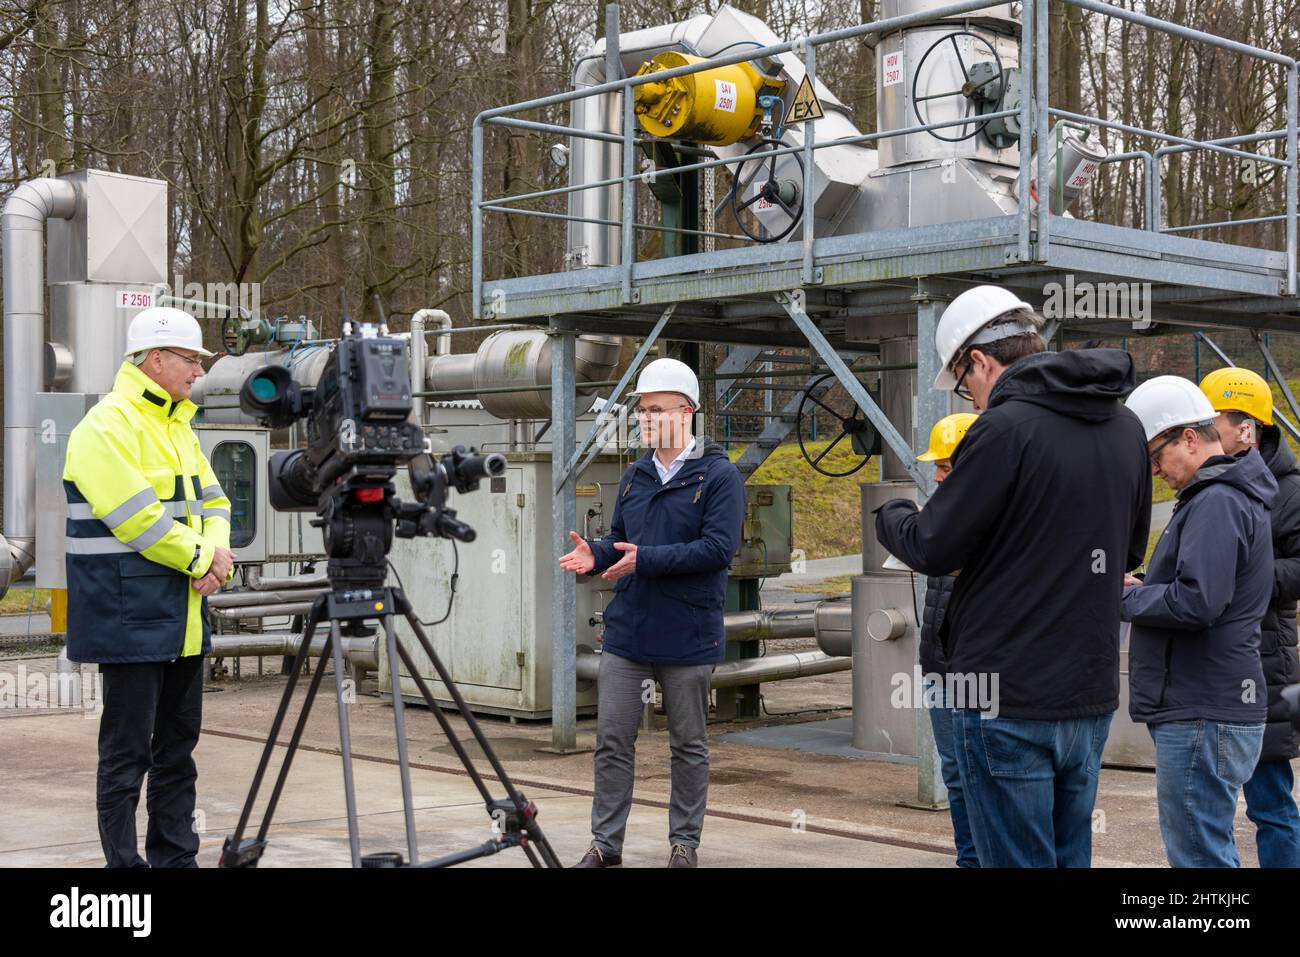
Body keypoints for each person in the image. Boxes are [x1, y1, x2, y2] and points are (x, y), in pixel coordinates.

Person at [875, 284, 1151, 867]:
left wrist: (893, 512)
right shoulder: (1126, 428)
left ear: (980, 361)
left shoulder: (1003, 430)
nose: (973, 400)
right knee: (1068, 856)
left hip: (1006, 698)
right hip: (1089, 697)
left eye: (965, 383)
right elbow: (1125, 552)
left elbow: (931, 544)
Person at [63, 307, 235, 867]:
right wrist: (204, 558)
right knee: (126, 755)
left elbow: (216, 503)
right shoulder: (104, 426)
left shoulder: (179, 425)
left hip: (183, 618)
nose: (197, 371)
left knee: (177, 754)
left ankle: (175, 859)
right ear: (155, 359)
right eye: (190, 360)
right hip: (129, 618)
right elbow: (138, 521)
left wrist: (218, 555)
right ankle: (125, 872)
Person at [558, 357, 745, 868]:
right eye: (642, 410)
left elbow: (717, 551)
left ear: (686, 412)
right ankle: (605, 846)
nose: (646, 418)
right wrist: (595, 555)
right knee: (612, 742)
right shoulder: (636, 475)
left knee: (688, 745)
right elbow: (622, 540)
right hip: (629, 633)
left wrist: (647, 560)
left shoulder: (719, 476)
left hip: (687, 635)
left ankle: (684, 844)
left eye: (656, 409)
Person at [1123, 375, 1274, 867]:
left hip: (1202, 709)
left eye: (1156, 454)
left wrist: (1124, 601)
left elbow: (1196, 603)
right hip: (1212, 704)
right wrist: (1145, 588)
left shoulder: (1217, 500)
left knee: (1199, 858)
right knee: (1206, 848)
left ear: (1189, 438)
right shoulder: (1224, 495)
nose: (1154, 469)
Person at [1199, 367, 1300, 867]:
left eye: (1210, 422)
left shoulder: (1290, 489)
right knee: (1208, 807)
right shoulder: (1209, 482)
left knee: (1271, 803)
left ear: (1247, 427)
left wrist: (1247, 576)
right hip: (1214, 660)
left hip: (1264, 660)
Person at [914, 411, 979, 868]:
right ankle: (969, 860)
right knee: (956, 775)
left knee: (986, 776)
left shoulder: (997, 521)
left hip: (983, 673)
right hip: (939, 667)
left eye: (945, 466)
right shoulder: (942, 517)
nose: (936, 475)